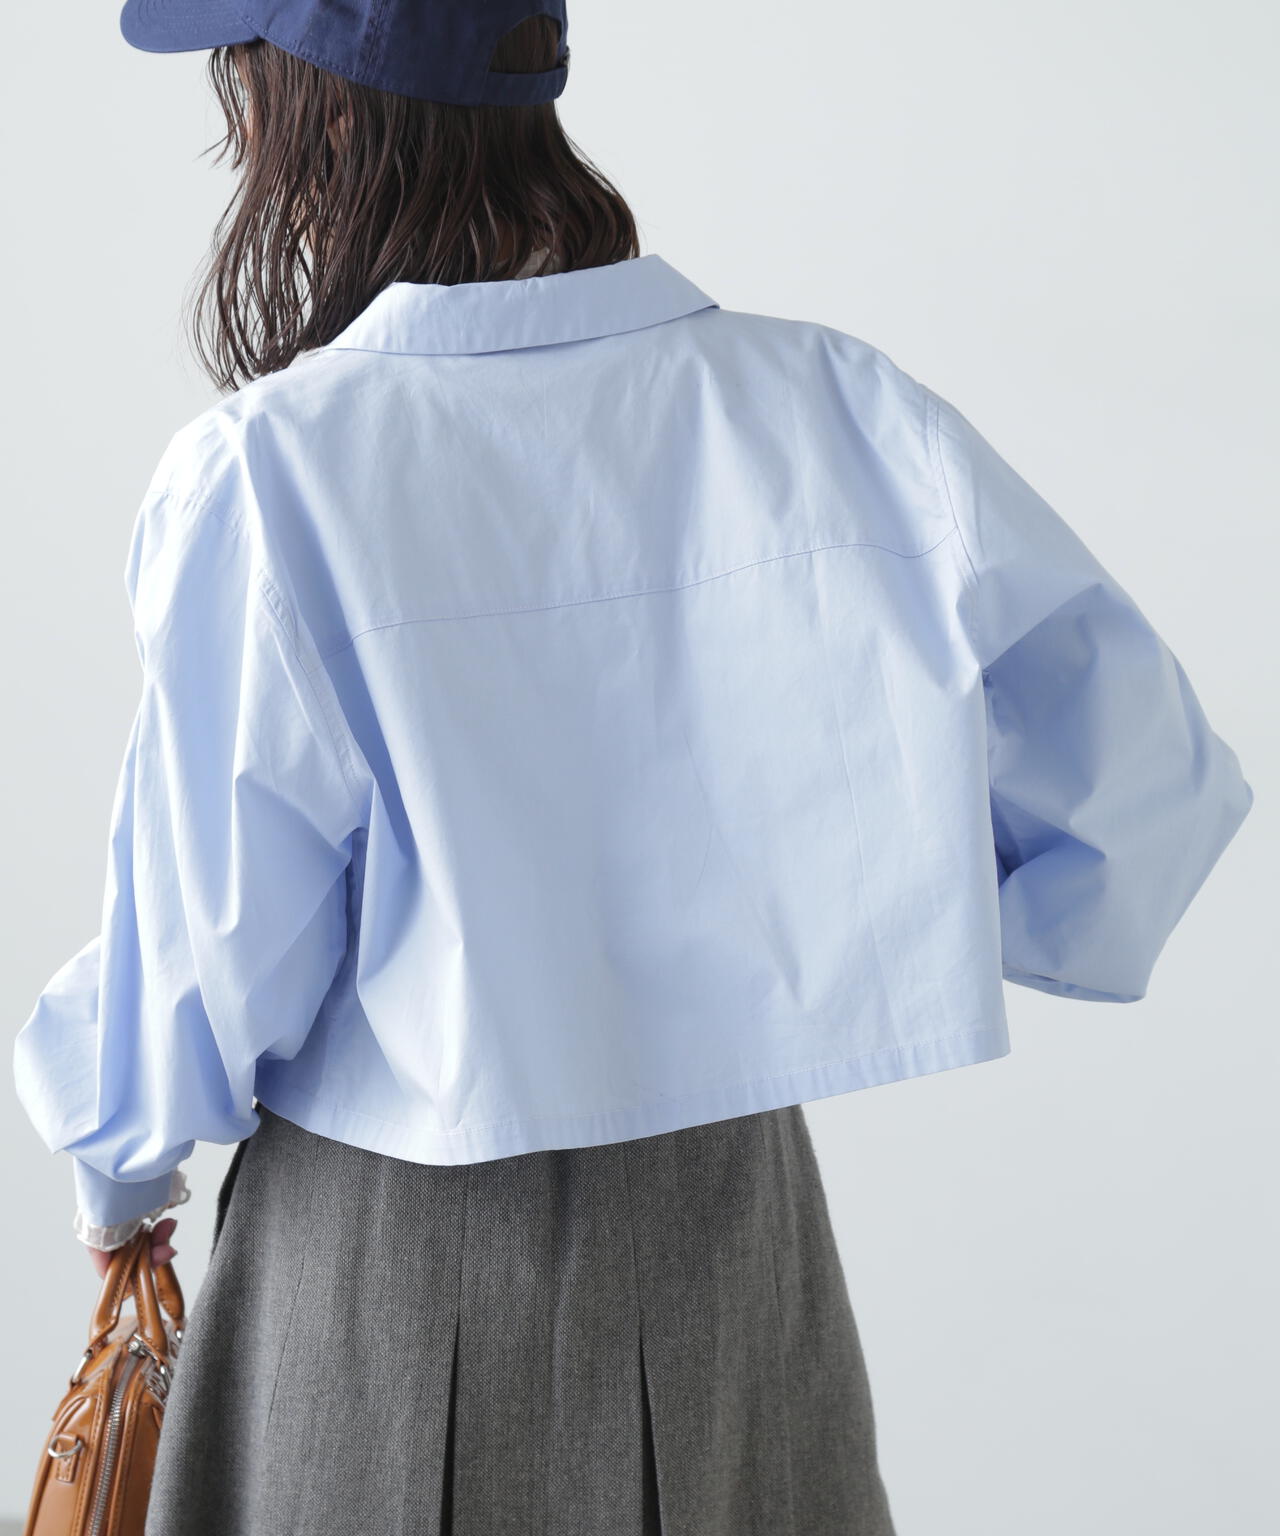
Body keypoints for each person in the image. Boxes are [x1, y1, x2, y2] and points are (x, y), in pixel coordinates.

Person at [13, 2, 1254, 1533]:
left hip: (385, 1252)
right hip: (730, 1229)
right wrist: (831, 917)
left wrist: (118, 1172)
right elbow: (1144, 791)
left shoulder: (276, 470)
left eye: (247, 95)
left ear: (328, 117)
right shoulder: (831, 407)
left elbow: (204, 950)